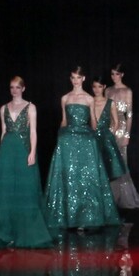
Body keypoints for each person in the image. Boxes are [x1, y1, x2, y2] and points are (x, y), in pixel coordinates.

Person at [0, 75, 54, 249]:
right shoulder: (3, 108)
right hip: (7, 150)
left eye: (17, 87)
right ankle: (5, 231)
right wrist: (1, 153)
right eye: (12, 87)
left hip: (23, 150)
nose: (14, 90)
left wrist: (32, 152)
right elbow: (3, 132)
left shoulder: (30, 107)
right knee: (6, 190)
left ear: (23, 88)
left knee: (24, 188)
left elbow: (33, 132)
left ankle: (24, 231)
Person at [42, 66, 120, 232]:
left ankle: (87, 217)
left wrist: (98, 138)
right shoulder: (65, 98)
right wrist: (60, 138)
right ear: (70, 79)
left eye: (78, 77)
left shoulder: (89, 99)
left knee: (86, 177)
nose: (75, 80)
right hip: (68, 139)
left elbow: (93, 122)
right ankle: (67, 216)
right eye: (73, 77)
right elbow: (64, 121)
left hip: (85, 138)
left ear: (83, 79)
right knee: (69, 176)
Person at [104, 66, 139, 210]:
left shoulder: (127, 91)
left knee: (121, 160)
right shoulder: (108, 90)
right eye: (112, 74)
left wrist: (127, 134)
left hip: (121, 129)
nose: (114, 76)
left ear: (122, 74)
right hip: (109, 128)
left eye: (116, 74)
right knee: (109, 161)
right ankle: (111, 196)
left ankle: (123, 196)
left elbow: (129, 114)